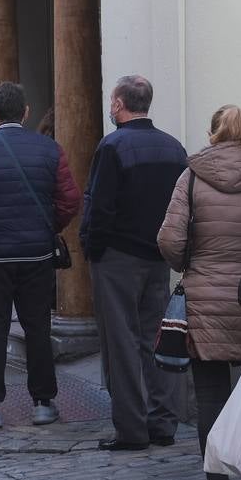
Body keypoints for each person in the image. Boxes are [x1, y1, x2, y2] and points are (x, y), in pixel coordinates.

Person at [0, 82, 80, 430]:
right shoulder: (49, 150)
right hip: (36, 255)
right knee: (37, 325)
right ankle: (43, 403)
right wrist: (45, 225)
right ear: (26, 112)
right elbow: (70, 199)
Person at [157, 104, 241, 480]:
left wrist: (189, 264)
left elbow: (169, 238)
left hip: (204, 296)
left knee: (211, 397)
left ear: (213, 132)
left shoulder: (192, 176)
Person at [82, 75, 188, 451]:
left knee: (122, 341)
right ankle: (163, 421)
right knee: (156, 339)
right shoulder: (174, 148)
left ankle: (131, 427)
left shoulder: (113, 146)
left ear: (117, 104)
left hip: (119, 256)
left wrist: (92, 248)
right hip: (158, 257)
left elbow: (100, 206)